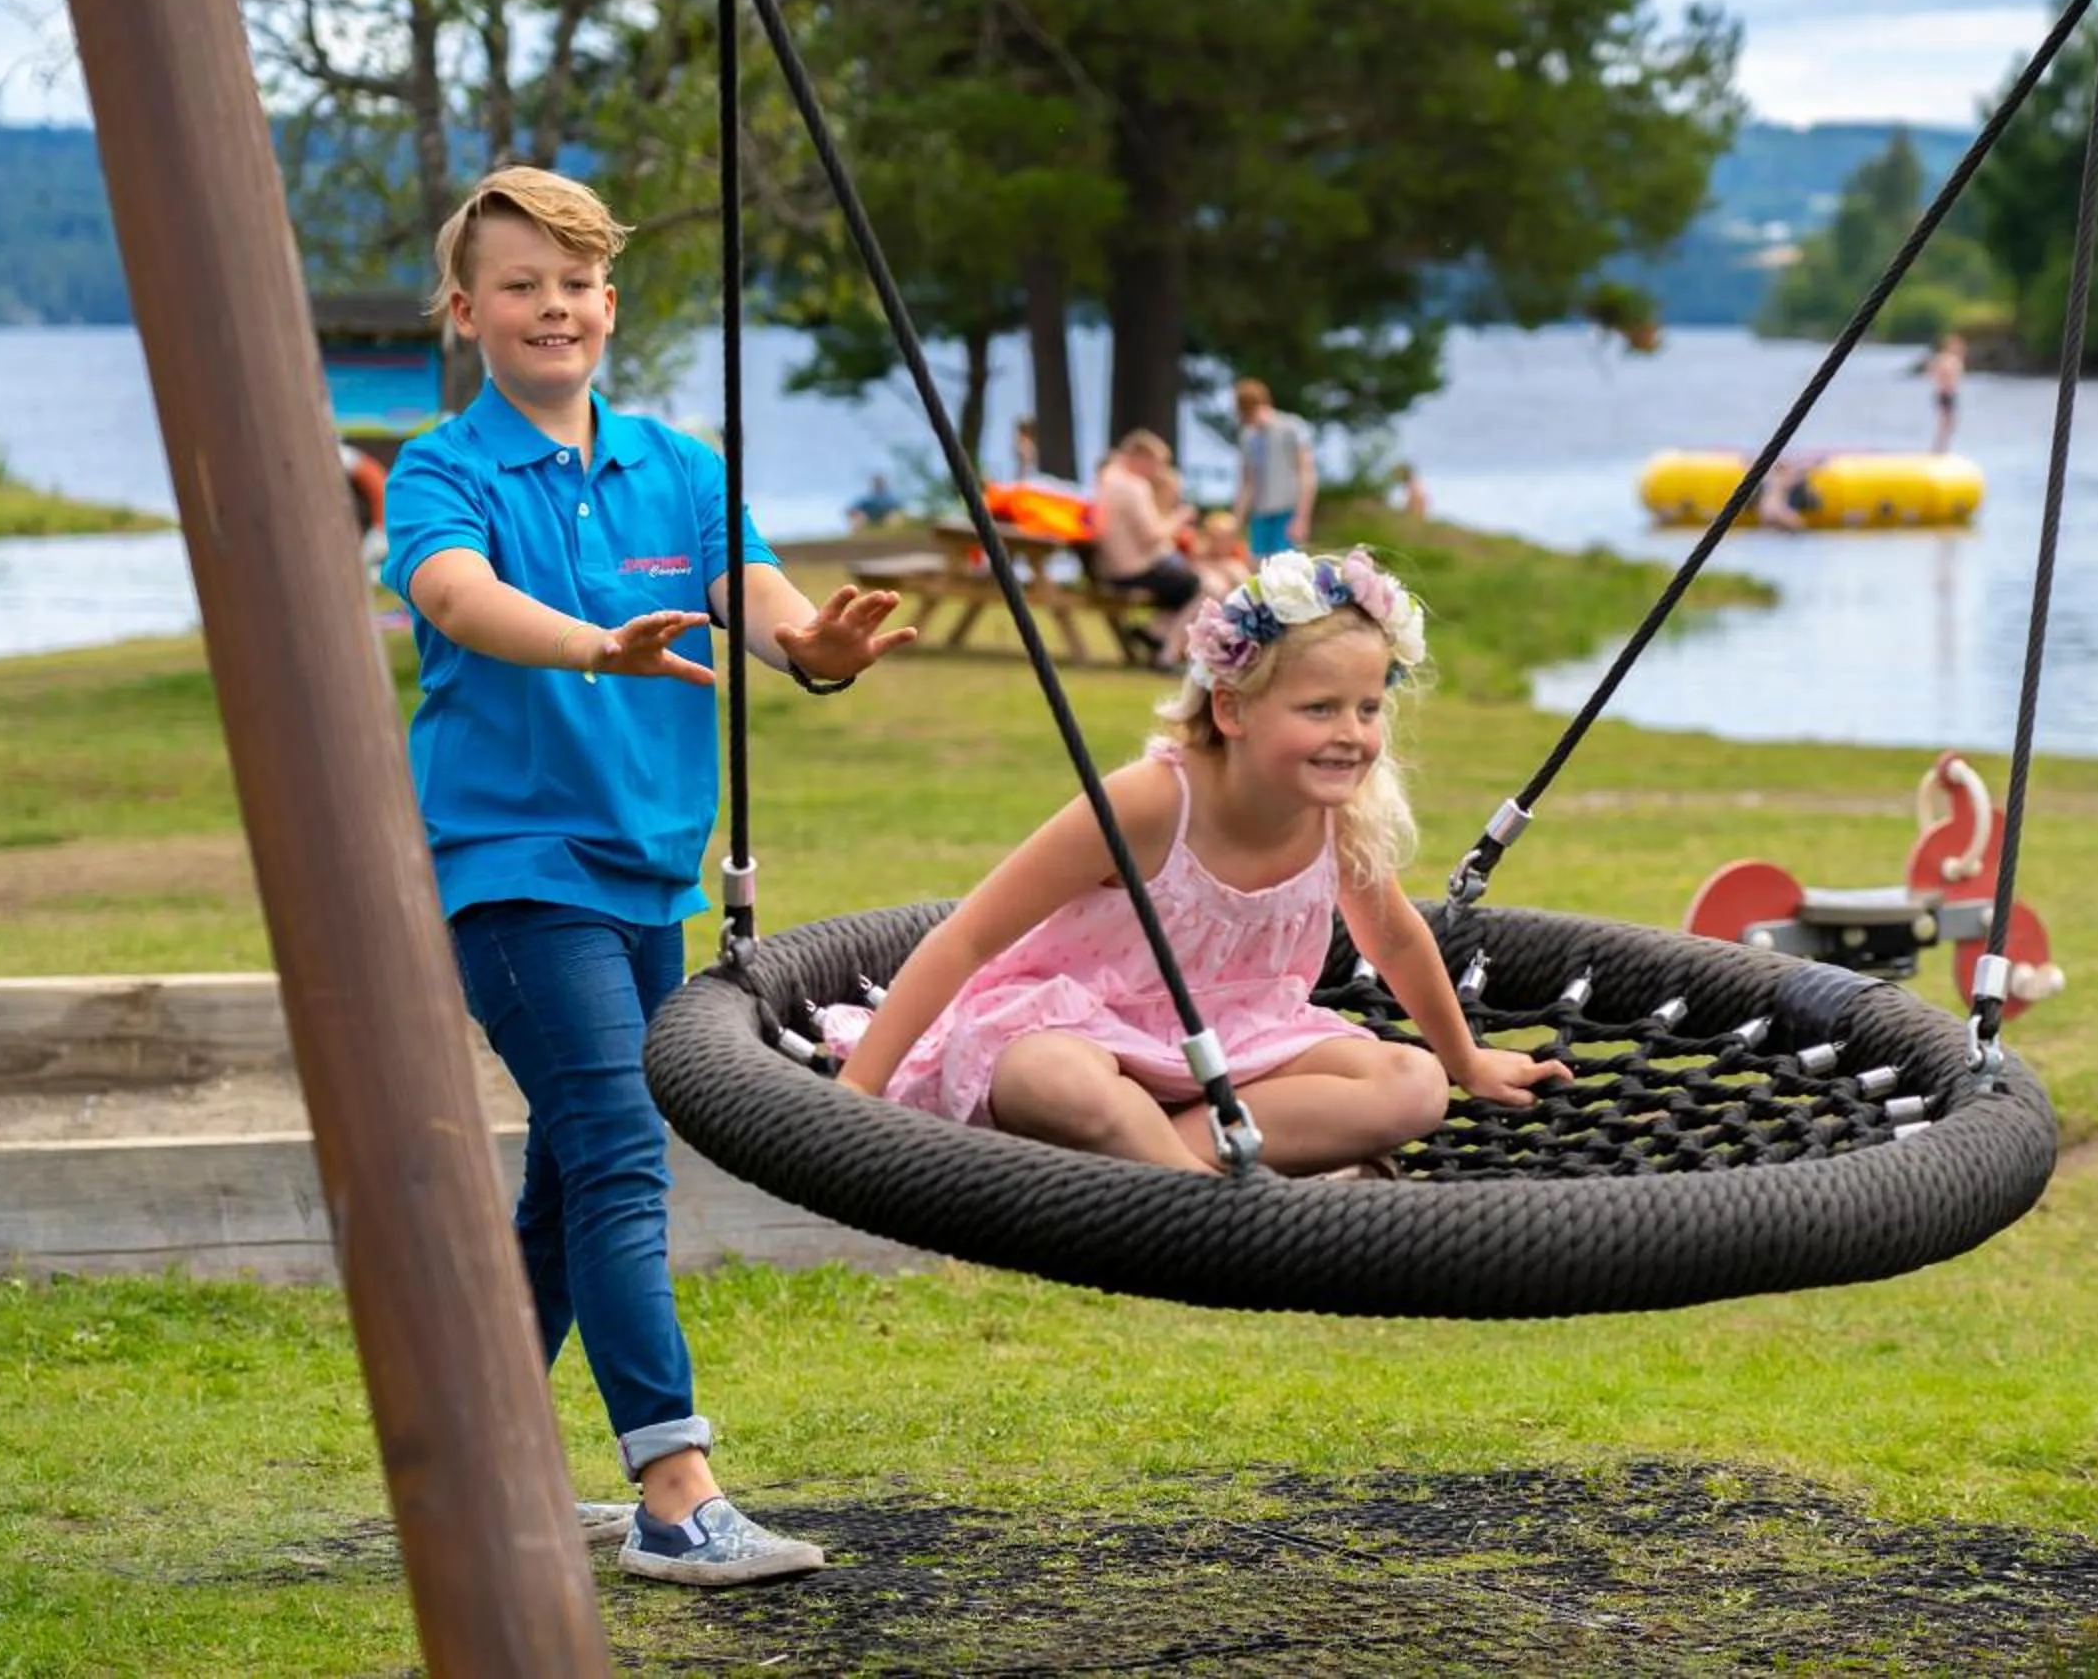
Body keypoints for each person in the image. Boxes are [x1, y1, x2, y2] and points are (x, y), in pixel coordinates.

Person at [381, 166, 918, 1588]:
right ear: (464, 312)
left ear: (609, 305)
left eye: (574, 283)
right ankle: (678, 1494)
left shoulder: (683, 468)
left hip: (644, 877)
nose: (550, 307)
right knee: (618, 1148)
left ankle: (464, 1470)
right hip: (508, 872)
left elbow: (770, 608)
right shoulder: (445, 467)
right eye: (518, 285)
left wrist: (823, 655)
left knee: (567, 1187)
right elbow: (451, 596)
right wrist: (588, 642)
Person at [823, 549, 1568, 1171]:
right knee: (1052, 1077)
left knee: (1413, 1085)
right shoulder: (1151, 804)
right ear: (1232, 709)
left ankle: (1165, 1169)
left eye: (1368, 708)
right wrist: (857, 1091)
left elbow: (1395, 938)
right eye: (1319, 709)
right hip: (1087, 1033)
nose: (1352, 733)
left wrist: (1465, 1060)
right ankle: (1200, 1195)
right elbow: (971, 936)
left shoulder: (1337, 817)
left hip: (1238, 1045)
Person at [1090, 429, 1204, 669]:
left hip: (1111, 569)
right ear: (1141, 457)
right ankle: (1165, 650)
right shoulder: (1134, 486)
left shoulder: (1108, 479)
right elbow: (1152, 536)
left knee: (1191, 585)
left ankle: (1154, 635)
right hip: (1134, 571)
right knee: (1203, 587)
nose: (1159, 472)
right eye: (1158, 464)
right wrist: (1179, 518)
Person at [1229, 378, 1316, 562]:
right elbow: (1247, 483)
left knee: (1287, 569)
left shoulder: (1292, 427)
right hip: (1260, 515)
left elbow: (1306, 474)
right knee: (1258, 568)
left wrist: (1301, 518)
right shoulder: (1248, 436)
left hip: (1287, 512)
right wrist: (1235, 522)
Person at [1925, 332, 1968, 455]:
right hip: (1945, 393)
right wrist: (1943, 380)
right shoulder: (1946, 359)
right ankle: (1938, 451)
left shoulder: (1951, 359)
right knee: (1945, 423)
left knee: (1950, 424)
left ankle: (1942, 450)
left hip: (1950, 394)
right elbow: (1935, 372)